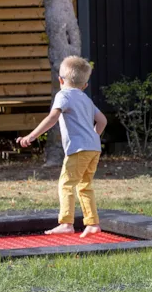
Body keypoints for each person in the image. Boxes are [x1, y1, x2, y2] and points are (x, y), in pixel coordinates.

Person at [16, 56, 107, 236]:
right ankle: (92, 223)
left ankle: (66, 223)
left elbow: (52, 118)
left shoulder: (63, 95)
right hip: (94, 149)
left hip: (79, 149)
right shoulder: (86, 99)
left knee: (66, 184)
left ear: (60, 80)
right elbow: (102, 120)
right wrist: (93, 137)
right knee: (84, 185)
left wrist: (32, 135)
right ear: (85, 85)